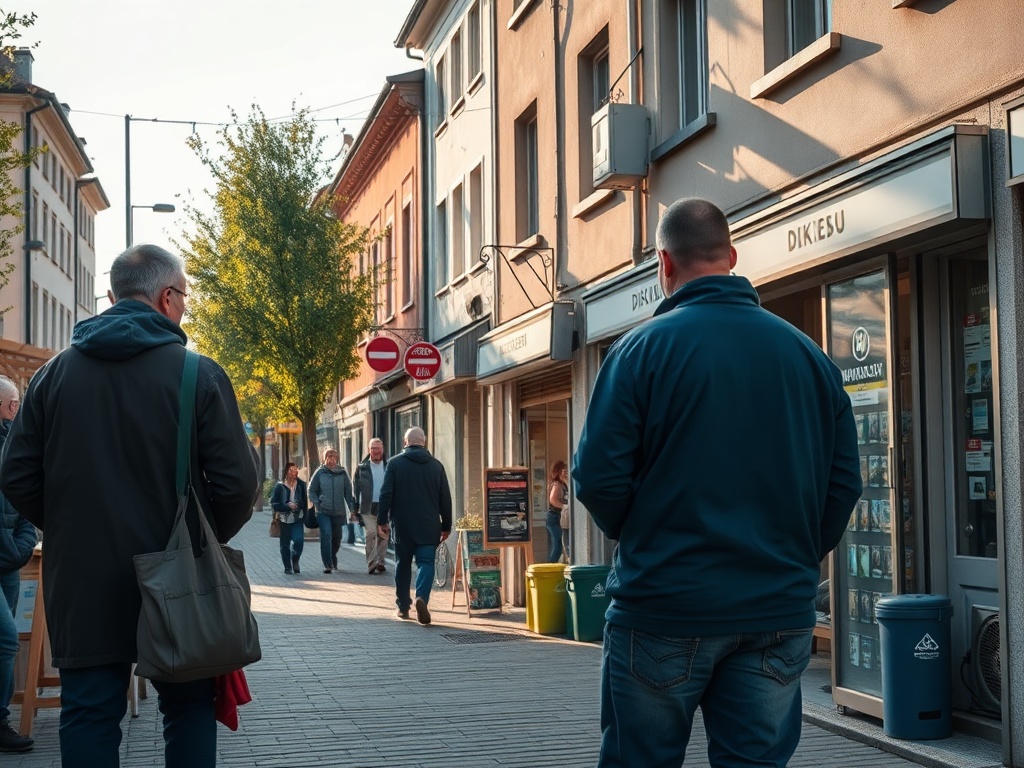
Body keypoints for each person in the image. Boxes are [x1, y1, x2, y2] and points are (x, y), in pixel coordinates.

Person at [573, 199, 862, 768]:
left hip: (664, 607)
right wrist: (798, 554)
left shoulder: (639, 352)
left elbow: (597, 476)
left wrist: (647, 535)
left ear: (664, 264)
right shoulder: (808, 357)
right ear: (732, 257)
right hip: (776, 612)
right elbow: (845, 483)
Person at [0, 244, 260, 768]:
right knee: (186, 707)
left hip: (83, 577)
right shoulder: (197, 374)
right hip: (178, 573)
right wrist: (200, 537)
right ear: (166, 297)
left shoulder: (53, 376)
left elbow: (16, 474)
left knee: (90, 712)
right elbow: (237, 485)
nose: (184, 307)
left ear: (115, 297)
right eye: (184, 297)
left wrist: (71, 527)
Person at [376, 427, 452, 625]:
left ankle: (402, 607)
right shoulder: (437, 466)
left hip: (403, 525)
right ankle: (422, 598)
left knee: (402, 564)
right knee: (426, 563)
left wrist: (381, 520)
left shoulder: (394, 464)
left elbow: (386, 494)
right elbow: (445, 498)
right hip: (429, 525)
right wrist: (447, 525)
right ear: (424, 442)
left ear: (405, 442)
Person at [0, 377, 35, 753]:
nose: (17, 412)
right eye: (13, 406)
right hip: (7, 558)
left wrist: (21, 548)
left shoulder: (14, 446)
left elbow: (26, 498)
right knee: (7, 639)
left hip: (9, 563)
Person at [308, 448, 356, 574]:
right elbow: (311, 490)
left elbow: (348, 493)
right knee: (326, 535)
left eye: (334, 457)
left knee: (337, 538)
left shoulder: (343, 473)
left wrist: (352, 509)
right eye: (329, 457)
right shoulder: (320, 473)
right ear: (325, 459)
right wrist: (317, 503)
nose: (332, 460)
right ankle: (327, 564)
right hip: (323, 511)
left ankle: (332, 556)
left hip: (339, 512)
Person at [353, 437, 389, 575]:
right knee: (371, 533)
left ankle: (380, 561)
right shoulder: (362, 468)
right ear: (369, 450)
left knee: (383, 534)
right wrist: (354, 508)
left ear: (383, 449)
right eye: (373, 448)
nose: (376, 451)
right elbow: (355, 488)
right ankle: (371, 563)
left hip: (384, 506)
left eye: (379, 448)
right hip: (367, 506)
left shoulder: (389, 466)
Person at [271, 462, 308, 574]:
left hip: (297, 518)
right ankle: (287, 566)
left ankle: (295, 560)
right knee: (285, 544)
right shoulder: (280, 486)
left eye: (296, 469)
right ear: (286, 471)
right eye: (291, 470)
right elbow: (274, 504)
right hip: (284, 519)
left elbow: (305, 503)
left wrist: (303, 514)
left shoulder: (301, 485)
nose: (294, 472)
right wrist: (287, 506)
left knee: (299, 540)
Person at [546, 461, 569, 563]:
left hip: (558, 517)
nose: (565, 471)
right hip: (554, 517)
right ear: (558, 471)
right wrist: (564, 506)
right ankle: (550, 568)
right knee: (557, 546)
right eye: (563, 470)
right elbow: (553, 499)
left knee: (559, 545)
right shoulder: (557, 484)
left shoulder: (563, 483)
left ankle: (552, 566)